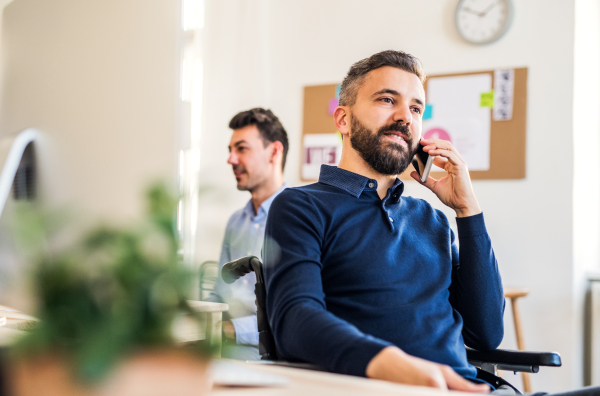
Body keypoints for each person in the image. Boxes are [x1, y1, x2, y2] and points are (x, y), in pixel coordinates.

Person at [263, 50, 501, 393]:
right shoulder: (301, 206)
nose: (405, 117)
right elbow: (295, 321)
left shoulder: (432, 220)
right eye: (388, 100)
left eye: (416, 108)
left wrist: (467, 210)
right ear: (343, 120)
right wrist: (391, 363)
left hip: (468, 387)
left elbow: (487, 333)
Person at [210, 108, 289, 360]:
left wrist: (231, 329)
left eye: (241, 149)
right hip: (222, 356)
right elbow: (219, 293)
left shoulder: (299, 220)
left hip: (270, 364)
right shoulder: (236, 221)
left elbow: (293, 314)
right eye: (230, 150)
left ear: (274, 152)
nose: (231, 159)